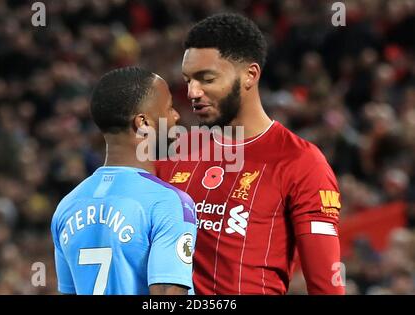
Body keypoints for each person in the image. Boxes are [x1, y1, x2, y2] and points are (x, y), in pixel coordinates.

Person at [155, 13, 345, 294]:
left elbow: (326, 285)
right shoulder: (176, 152)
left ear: (250, 75)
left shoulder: (301, 162)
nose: (193, 92)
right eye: (188, 80)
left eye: (206, 78)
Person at [51, 67, 197, 295]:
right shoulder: (168, 202)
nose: (176, 116)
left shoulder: (67, 205)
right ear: (143, 122)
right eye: (169, 108)